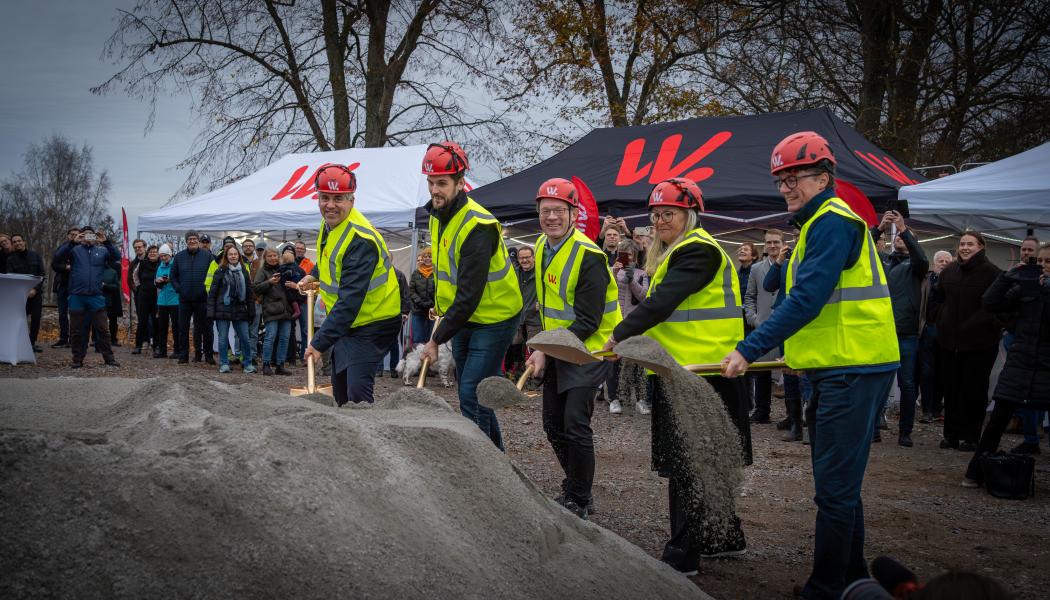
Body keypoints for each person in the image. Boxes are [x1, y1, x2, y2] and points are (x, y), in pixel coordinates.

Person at [722, 131, 899, 599]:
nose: (786, 187)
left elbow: (807, 299)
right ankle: (853, 576)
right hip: (840, 367)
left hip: (853, 368)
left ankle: (826, 588)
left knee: (834, 492)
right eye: (781, 179)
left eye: (795, 177)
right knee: (840, 486)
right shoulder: (817, 225)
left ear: (824, 177)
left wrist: (749, 348)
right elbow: (798, 293)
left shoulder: (833, 222)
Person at [602, 177, 751, 575]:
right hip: (695, 369)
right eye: (655, 214)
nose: (660, 220)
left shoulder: (696, 251)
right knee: (712, 459)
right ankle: (724, 538)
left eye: (669, 213)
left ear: (690, 214)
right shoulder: (678, 252)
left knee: (687, 465)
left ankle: (681, 557)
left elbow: (663, 304)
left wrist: (619, 335)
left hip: (699, 373)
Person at [525, 178, 621, 519]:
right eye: (545, 210)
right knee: (552, 423)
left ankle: (580, 498)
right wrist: (542, 344)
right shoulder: (540, 247)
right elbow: (547, 305)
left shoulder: (590, 256)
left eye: (558, 211)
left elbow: (589, 320)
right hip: (558, 348)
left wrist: (544, 348)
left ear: (573, 214)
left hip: (590, 350)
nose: (551, 217)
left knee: (575, 423)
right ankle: (574, 483)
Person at [420, 142, 522, 449]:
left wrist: (436, 339)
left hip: (494, 317)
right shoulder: (438, 216)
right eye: (431, 182)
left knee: (469, 392)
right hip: (464, 318)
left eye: (442, 183)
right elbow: (445, 274)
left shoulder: (478, 226)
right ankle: (496, 459)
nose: (435, 190)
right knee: (477, 393)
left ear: (461, 183)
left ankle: (481, 462)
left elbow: (468, 294)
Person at [299, 163, 402, 405]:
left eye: (338, 199)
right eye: (324, 198)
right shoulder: (330, 225)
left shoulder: (359, 239)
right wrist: (313, 274)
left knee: (357, 392)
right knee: (341, 388)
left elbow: (350, 301)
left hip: (375, 321)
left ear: (351, 200)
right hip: (349, 322)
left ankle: (368, 433)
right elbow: (329, 258)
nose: (330, 205)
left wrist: (318, 343)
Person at [962, 242, 1050, 485]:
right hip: (1020, 365)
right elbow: (989, 302)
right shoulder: (1026, 287)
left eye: (1047, 261)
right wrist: (1007, 277)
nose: (1042, 265)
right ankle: (975, 473)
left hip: (1045, 368)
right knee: (996, 423)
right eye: (1040, 261)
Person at [933, 231, 1001, 451]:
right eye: (962, 244)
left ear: (981, 246)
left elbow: (1002, 306)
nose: (965, 248)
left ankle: (971, 437)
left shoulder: (992, 273)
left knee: (974, 391)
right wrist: (940, 319)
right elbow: (937, 297)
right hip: (949, 342)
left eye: (970, 244)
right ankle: (950, 435)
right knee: (951, 389)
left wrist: (989, 324)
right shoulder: (949, 271)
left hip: (980, 344)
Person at [872, 210, 929, 447]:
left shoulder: (916, 266)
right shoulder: (882, 259)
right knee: (877, 381)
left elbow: (922, 260)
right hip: (881, 329)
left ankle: (905, 431)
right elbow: (862, 248)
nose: (899, 239)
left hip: (906, 333)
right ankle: (874, 427)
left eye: (905, 238)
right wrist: (880, 228)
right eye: (897, 237)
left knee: (906, 383)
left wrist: (904, 230)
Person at [53, 226, 122, 368]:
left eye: (92, 235)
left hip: (96, 296)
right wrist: (73, 242)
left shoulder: (102, 250)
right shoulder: (74, 250)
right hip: (77, 296)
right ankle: (77, 359)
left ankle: (109, 358)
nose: (89, 238)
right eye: (86, 235)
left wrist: (106, 241)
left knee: (103, 329)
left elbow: (117, 257)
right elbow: (58, 257)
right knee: (77, 330)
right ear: (82, 236)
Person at [743, 229, 785, 427]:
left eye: (776, 242)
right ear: (764, 245)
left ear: (783, 243)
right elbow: (749, 297)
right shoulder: (756, 269)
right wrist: (753, 318)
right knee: (761, 371)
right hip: (763, 324)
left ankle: (793, 415)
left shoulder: (791, 265)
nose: (773, 246)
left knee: (790, 370)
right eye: (769, 243)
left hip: (786, 323)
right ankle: (762, 410)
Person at [609, 238, 650, 415]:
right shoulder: (611, 272)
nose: (627, 260)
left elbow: (644, 297)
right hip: (615, 322)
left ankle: (640, 399)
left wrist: (631, 279)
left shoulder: (642, 274)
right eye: (623, 256)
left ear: (636, 258)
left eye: (630, 257)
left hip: (635, 324)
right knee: (613, 362)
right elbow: (605, 293)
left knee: (638, 362)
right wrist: (614, 273)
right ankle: (614, 398)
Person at [208, 244, 256, 374]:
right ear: (226, 256)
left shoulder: (244, 272)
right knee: (223, 338)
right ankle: (224, 363)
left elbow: (249, 294)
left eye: (235, 254)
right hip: (222, 310)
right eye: (230, 254)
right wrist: (211, 312)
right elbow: (213, 293)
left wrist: (252, 311)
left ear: (238, 256)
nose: (233, 256)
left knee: (245, 338)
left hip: (240, 310)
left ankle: (248, 363)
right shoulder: (220, 271)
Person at [918, 250, 953, 423]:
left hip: (946, 330)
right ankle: (927, 409)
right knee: (926, 371)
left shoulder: (954, 281)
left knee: (943, 371)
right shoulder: (926, 279)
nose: (944, 263)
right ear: (934, 263)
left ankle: (937, 408)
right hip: (929, 328)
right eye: (941, 260)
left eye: (947, 260)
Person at [170, 230, 216, 364]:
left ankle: (208, 355)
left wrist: (208, 292)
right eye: (189, 239)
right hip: (184, 299)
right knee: (183, 328)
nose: (192, 241)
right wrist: (179, 289)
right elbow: (173, 276)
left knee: (207, 328)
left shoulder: (208, 256)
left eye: (194, 239)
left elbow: (214, 275)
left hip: (203, 299)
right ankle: (183, 356)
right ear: (186, 241)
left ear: (198, 240)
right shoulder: (179, 257)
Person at [253, 248, 294, 376]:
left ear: (279, 256)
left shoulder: (284, 269)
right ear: (265, 258)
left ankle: (280, 365)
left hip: (286, 308)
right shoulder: (262, 271)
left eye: (275, 255)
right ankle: (266, 364)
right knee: (270, 337)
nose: (273, 258)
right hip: (271, 309)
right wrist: (269, 282)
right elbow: (256, 288)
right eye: (269, 256)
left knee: (284, 338)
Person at [6, 234, 46, 352]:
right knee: (20, 319)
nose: (17, 243)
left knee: (36, 319)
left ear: (24, 242)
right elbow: (11, 278)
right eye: (14, 242)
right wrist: (22, 292)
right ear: (13, 245)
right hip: (19, 295)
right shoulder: (11, 260)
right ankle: (18, 343)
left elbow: (42, 274)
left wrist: (35, 290)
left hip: (35, 293)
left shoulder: (35, 255)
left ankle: (31, 343)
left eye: (19, 241)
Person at [508, 245, 540, 379]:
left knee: (535, 348)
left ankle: (535, 378)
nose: (524, 260)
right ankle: (519, 374)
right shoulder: (514, 273)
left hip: (535, 318)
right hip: (518, 317)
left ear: (533, 257)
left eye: (527, 257)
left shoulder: (540, 273)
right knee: (515, 346)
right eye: (521, 258)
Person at [50, 227, 80, 348]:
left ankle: (74, 339)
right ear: (68, 236)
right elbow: (54, 264)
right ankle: (63, 338)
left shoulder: (82, 248)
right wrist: (66, 267)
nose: (73, 236)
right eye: (71, 234)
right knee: (62, 313)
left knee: (75, 313)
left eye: (76, 234)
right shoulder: (63, 248)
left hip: (77, 286)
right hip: (63, 284)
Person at [131, 245, 160, 354]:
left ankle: (156, 346)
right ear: (147, 254)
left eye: (155, 252)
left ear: (158, 254)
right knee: (142, 321)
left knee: (156, 321)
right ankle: (138, 345)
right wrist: (138, 287)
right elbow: (135, 275)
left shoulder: (160, 264)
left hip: (156, 297)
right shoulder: (142, 263)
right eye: (151, 252)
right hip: (143, 296)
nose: (153, 253)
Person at [154, 244, 180, 359]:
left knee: (176, 326)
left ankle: (177, 350)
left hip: (174, 300)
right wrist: (158, 281)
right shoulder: (160, 267)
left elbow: (179, 280)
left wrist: (171, 280)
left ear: (170, 255)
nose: (163, 258)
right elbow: (157, 283)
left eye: (165, 256)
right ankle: (162, 350)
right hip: (162, 301)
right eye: (161, 256)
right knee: (162, 327)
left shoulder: (176, 265)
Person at [240, 237, 262, 360]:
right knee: (241, 331)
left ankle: (252, 355)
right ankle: (240, 355)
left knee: (253, 331)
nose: (248, 247)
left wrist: (259, 299)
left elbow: (264, 281)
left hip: (255, 301)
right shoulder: (238, 262)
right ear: (242, 248)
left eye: (250, 245)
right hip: (241, 302)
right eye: (245, 246)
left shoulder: (259, 263)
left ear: (253, 248)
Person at [409, 247, 436, 344]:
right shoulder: (416, 273)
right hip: (418, 310)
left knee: (432, 338)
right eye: (425, 256)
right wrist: (419, 301)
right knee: (418, 339)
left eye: (430, 256)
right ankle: (417, 358)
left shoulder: (437, 273)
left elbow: (439, 290)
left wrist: (432, 302)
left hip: (433, 311)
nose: (427, 258)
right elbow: (411, 290)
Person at [100, 257, 124, 348]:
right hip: (98, 297)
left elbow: (116, 285)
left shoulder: (114, 269)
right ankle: (96, 339)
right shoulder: (96, 268)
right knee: (97, 319)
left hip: (112, 298)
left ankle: (113, 339)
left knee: (113, 319)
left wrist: (105, 285)